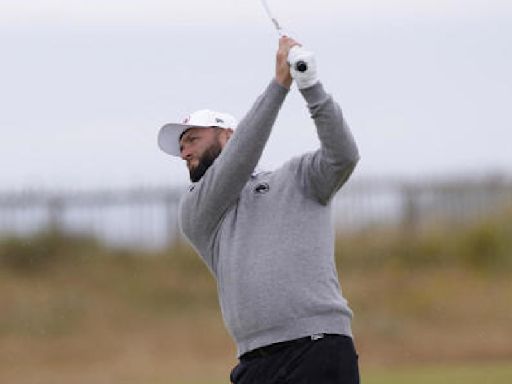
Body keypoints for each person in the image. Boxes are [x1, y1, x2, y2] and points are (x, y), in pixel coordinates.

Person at [158, 36, 360, 384]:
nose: (184, 152)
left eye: (193, 139)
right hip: (254, 365)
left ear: (228, 135)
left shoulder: (298, 178)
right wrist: (279, 84)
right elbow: (236, 164)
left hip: (320, 349)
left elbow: (344, 156)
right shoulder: (197, 209)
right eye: (180, 146)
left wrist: (310, 86)